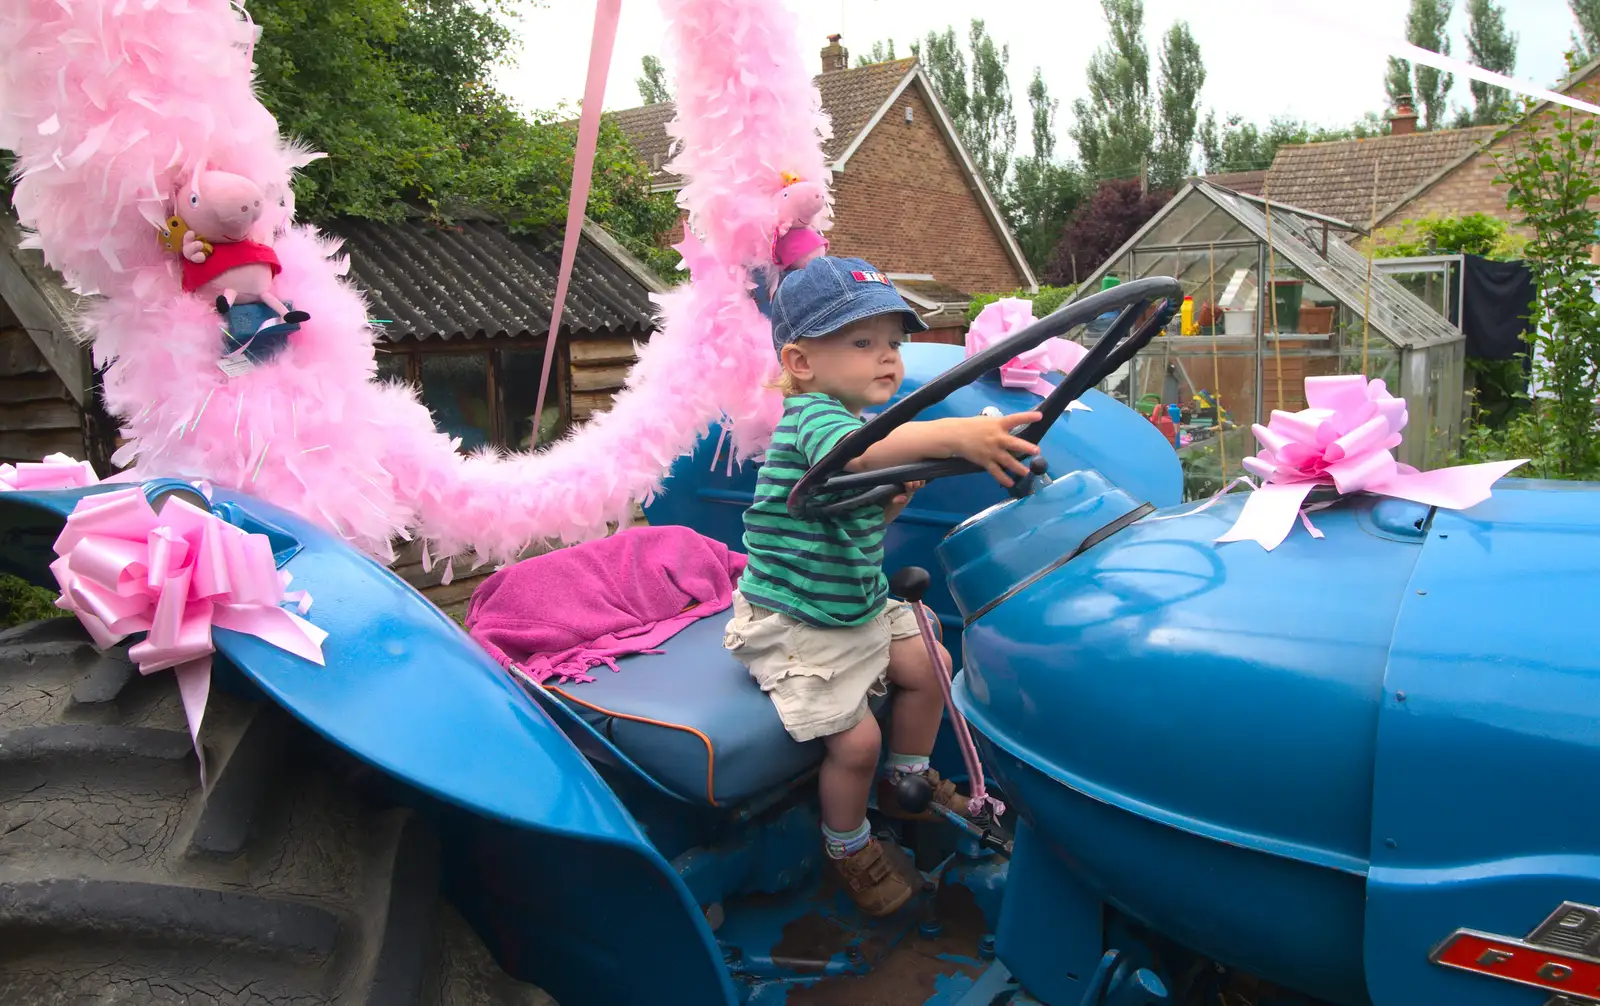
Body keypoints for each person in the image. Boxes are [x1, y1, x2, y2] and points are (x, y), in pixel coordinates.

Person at [723, 255, 1042, 917]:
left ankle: (906, 780)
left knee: (932, 662)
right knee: (855, 741)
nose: (888, 358)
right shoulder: (814, 418)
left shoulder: (856, 427)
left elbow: (853, 508)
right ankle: (848, 843)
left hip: (852, 599)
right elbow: (863, 452)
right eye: (863, 343)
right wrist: (958, 434)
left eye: (894, 342)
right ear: (802, 362)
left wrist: (891, 502)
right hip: (796, 618)